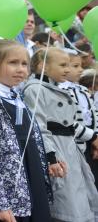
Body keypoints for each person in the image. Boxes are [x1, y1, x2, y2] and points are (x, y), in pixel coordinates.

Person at [0, 40, 52, 222]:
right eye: (13, 63)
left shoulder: (17, 98)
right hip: (7, 190)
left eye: (24, 64)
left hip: (30, 177)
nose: (21, 69)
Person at [23, 47, 98, 221]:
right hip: (57, 151)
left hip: (70, 148)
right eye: (63, 64)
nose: (68, 69)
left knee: (81, 198)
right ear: (43, 66)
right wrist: (51, 157)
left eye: (69, 65)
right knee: (66, 203)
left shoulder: (55, 88)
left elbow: (70, 124)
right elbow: (39, 127)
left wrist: (92, 137)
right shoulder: (35, 90)